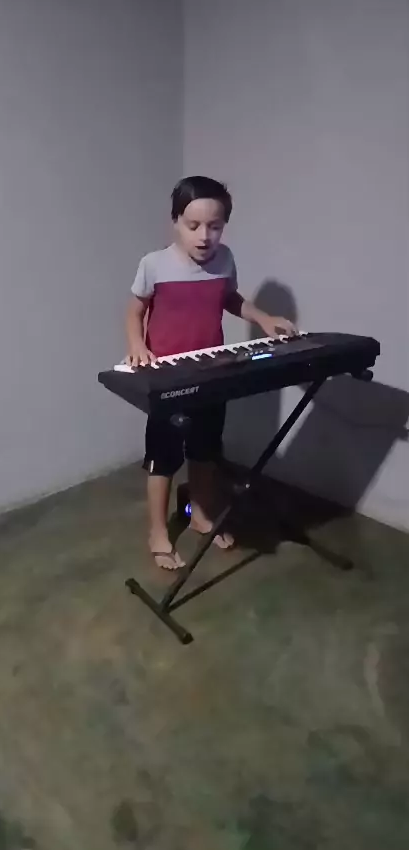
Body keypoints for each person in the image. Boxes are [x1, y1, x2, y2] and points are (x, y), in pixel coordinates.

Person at [125, 176, 296, 570]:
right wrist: (137, 345)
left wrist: (263, 318)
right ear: (175, 221)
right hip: (167, 377)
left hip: (211, 372)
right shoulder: (154, 265)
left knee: (204, 449)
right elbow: (135, 310)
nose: (204, 236)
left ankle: (199, 513)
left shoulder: (225, 259)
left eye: (214, 227)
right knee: (163, 457)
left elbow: (229, 298)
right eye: (193, 225)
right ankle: (157, 531)